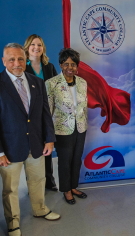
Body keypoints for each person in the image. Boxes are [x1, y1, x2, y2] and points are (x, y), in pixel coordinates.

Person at [0, 43, 60, 236]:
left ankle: (39, 209)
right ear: (4, 61)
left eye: (21, 59)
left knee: (38, 181)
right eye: (12, 59)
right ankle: (12, 221)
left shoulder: (36, 82)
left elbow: (44, 114)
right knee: (10, 188)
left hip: (36, 144)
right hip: (9, 148)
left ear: (25, 59)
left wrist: (49, 139)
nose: (17, 63)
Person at [46, 48, 88, 205]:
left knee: (77, 159)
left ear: (77, 66)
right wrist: (48, 135)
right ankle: (66, 189)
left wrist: (83, 124)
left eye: (73, 64)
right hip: (62, 130)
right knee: (65, 160)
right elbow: (48, 111)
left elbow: (84, 107)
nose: (70, 67)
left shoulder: (83, 83)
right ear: (60, 65)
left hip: (81, 128)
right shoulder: (51, 84)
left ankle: (74, 186)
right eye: (66, 64)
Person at [24, 34, 59, 191]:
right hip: (30, 114)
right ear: (27, 47)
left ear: (43, 48)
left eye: (39, 45)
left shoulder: (49, 67)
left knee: (47, 146)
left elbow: (57, 87)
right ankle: (33, 183)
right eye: (33, 45)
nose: (36, 48)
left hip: (47, 113)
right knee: (32, 150)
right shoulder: (23, 67)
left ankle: (49, 181)